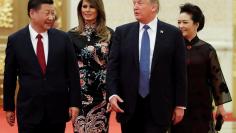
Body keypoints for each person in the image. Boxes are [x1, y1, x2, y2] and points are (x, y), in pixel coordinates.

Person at [106, 0, 187, 132]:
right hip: (128, 106)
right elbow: (113, 68)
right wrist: (112, 94)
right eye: (134, 3)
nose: (135, 7)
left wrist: (180, 105)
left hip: (160, 106)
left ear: (154, 7)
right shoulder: (122, 32)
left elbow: (180, 72)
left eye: (140, 3)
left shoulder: (173, 34)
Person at [3, 0, 81, 133]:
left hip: (57, 111)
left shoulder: (63, 39)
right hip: (28, 111)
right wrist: (9, 107)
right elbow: (9, 77)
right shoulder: (15, 40)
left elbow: (73, 74)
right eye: (47, 13)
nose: (51, 17)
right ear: (32, 13)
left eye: (53, 13)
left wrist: (74, 103)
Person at [171, 3, 232, 133]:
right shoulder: (173, 48)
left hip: (202, 106)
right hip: (179, 105)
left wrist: (220, 107)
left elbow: (217, 79)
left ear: (196, 24)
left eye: (185, 22)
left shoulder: (207, 49)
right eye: (179, 22)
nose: (180, 26)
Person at [67, 0, 113, 132]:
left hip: (102, 95)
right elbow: (68, 68)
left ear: (99, 10)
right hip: (79, 94)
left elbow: (113, 67)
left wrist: (112, 94)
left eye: (91, 7)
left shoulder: (110, 34)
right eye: (84, 6)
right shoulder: (71, 35)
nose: (87, 10)